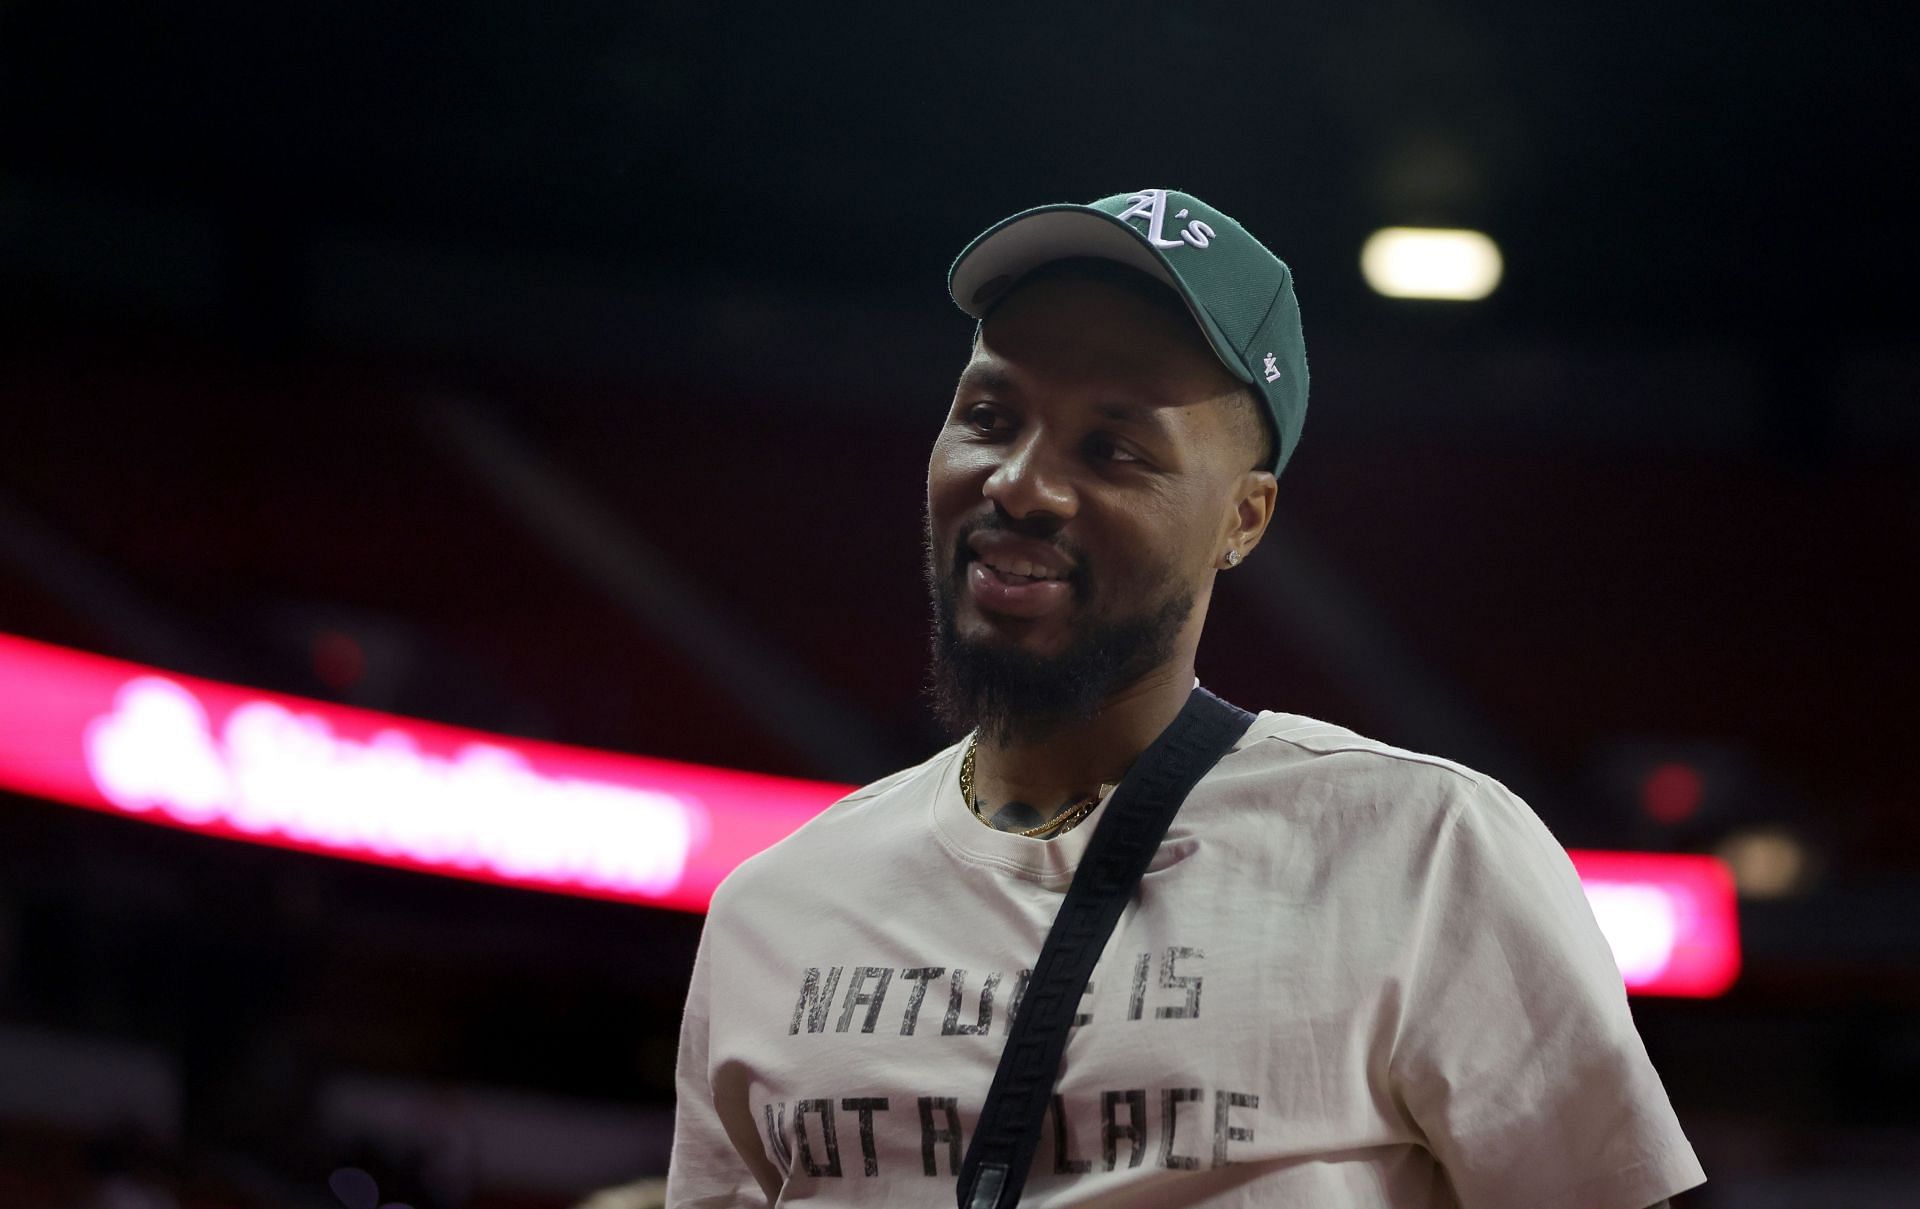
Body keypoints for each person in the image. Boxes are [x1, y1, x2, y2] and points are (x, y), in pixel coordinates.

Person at [666, 189, 1705, 1208]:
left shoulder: (1424, 854)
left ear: (1243, 520)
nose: (1020, 484)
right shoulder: (776, 907)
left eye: (1112, 449)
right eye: (988, 416)